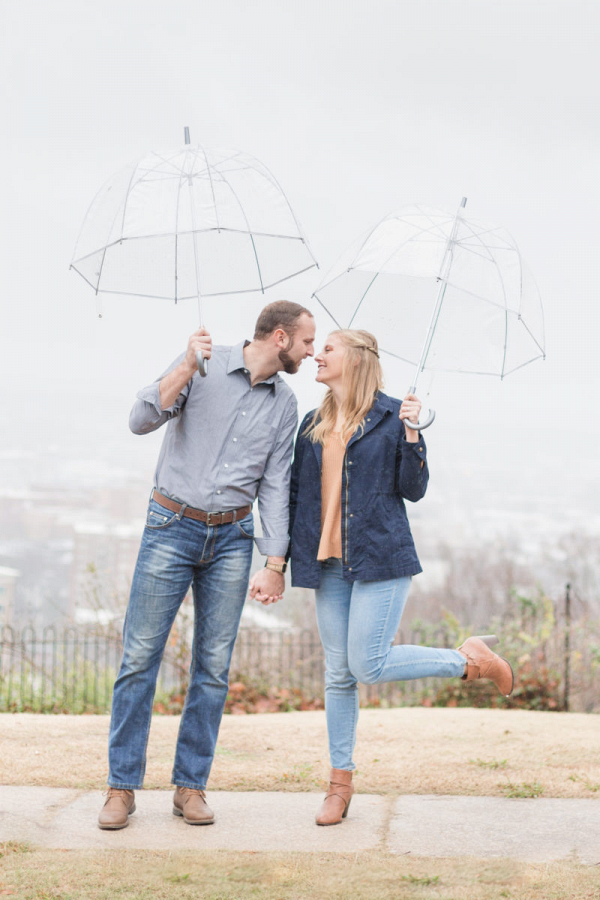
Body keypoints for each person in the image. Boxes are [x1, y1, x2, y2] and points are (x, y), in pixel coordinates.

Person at [98, 300, 316, 830]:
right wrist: (183, 366)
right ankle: (121, 788)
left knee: (213, 670)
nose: (312, 352)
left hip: (233, 539)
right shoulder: (202, 361)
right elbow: (139, 420)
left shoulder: (284, 404)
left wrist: (274, 561)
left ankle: (190, 786)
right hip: (171, 527)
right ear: (281, 338)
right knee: (139, 660)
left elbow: (275, 483)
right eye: (308, 342)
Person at [288, 329, 514, 826]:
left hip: (381, 560)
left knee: (366, 665)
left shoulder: (394, 418)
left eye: (328, 349)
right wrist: (279, 563)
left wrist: (414, 434)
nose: (317, 356)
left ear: (357, 359)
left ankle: (468, 659)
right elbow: (297, 498)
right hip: (328, 564)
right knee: (339, 675)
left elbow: (414, 490)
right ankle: (339, 786)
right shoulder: (313, 422)